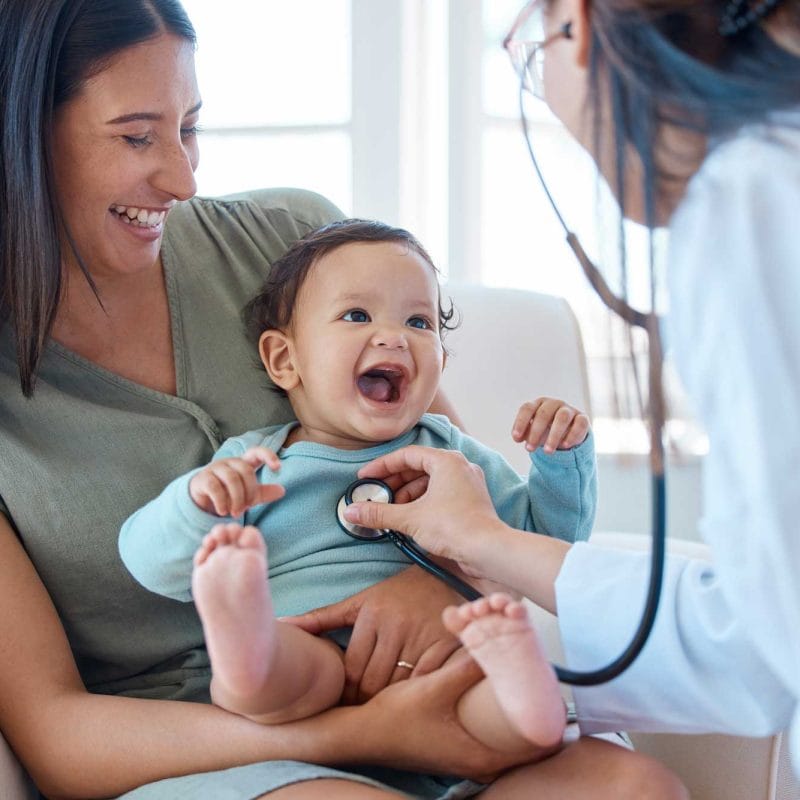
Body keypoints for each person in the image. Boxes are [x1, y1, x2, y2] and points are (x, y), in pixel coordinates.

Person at [0, 1, 690, 798]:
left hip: (425, 688)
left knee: (633, 790)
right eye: (135, 136)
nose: (184, 182)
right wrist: (360, 732)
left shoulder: (291, 241)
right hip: (197, 752)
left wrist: (438, 590)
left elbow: (457, 496)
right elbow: (55, 732)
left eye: (190, 127)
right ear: (20, 134)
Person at [336, 0, 800, 779]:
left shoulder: (751, 200)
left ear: (577, 27)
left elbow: (767, 639)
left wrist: (493, 536)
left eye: (531, 53)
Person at [119, 218, 597, 758]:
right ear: (285, 360)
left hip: (442, 657)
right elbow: (148, 563)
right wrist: (197, 504)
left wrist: (559, 462)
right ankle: (244, 635)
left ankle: (526, 697)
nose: (394, 335)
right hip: (306, 643)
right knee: (275, 677)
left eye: (419, 321)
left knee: (489, 706)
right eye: (356, 315)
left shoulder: (452, 456)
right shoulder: (257, 464)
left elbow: (542, 543)